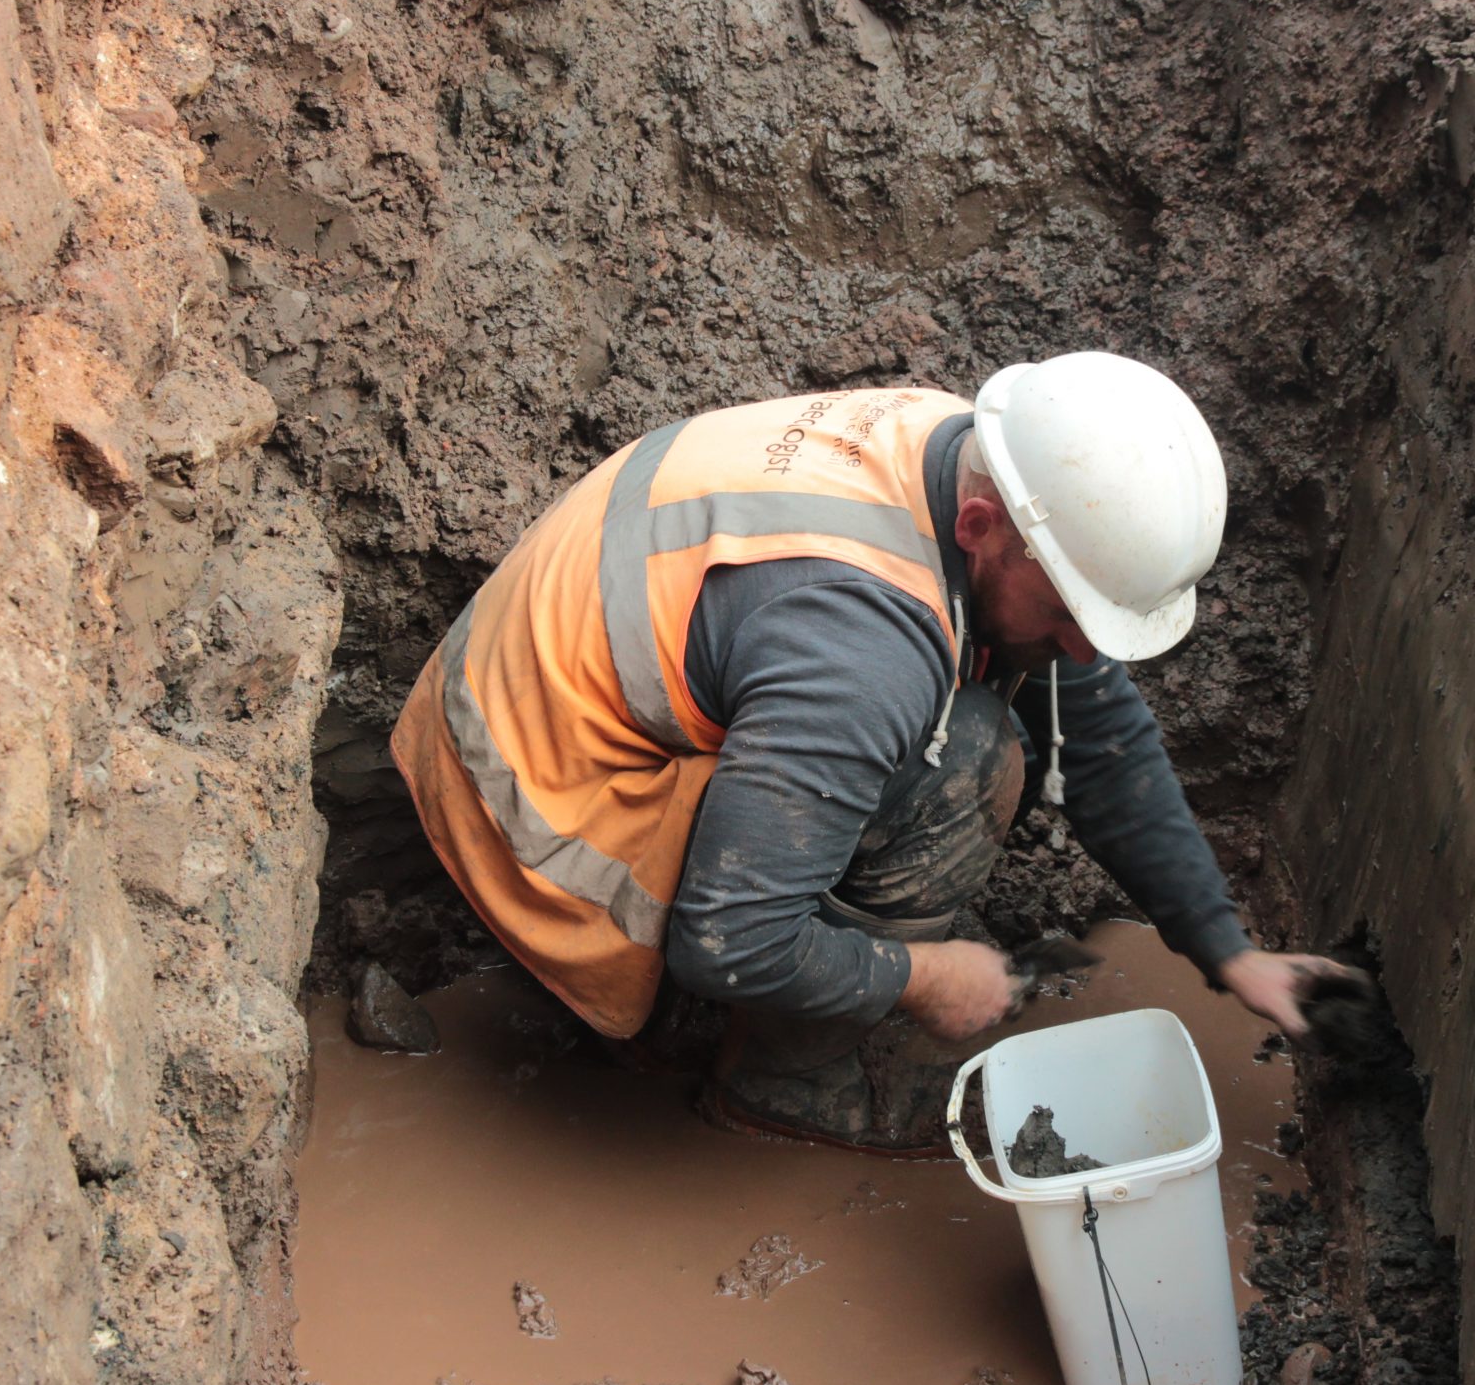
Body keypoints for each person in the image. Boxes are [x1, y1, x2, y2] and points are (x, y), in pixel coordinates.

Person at [391, 352, 1358, 1154]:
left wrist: (1228, 952)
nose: (1084, 649)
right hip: (535, 820)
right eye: (1071, 614)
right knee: (975, 756)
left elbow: (1096, 726)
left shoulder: (969, 456)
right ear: (982, 530)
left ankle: (844, 922)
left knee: (1002, 703)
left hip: (527, 698)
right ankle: (781, 1080)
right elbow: (731, 940)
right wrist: (926, 975)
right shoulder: (864, 649)